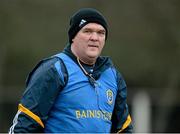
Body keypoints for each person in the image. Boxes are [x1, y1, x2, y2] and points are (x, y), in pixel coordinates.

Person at [9, 8, 133, 133]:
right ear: (73, 36)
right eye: (87, 31)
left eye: (101, 33)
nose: (95, 38)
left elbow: (124, 129)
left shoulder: (113, 76)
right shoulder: (54, 70)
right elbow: (24, 127)